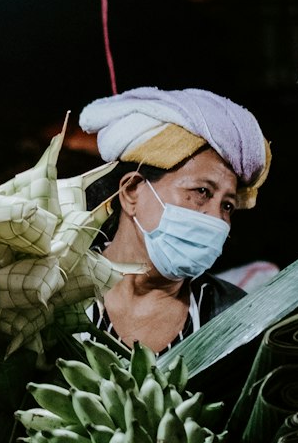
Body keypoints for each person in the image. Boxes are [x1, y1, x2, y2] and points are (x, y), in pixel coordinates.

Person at [79, 85, 270, 354]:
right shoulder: (50, 297)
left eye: (227, 206)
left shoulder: (233, 319)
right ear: (132, 191)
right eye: (201, 192)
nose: (216, 218)